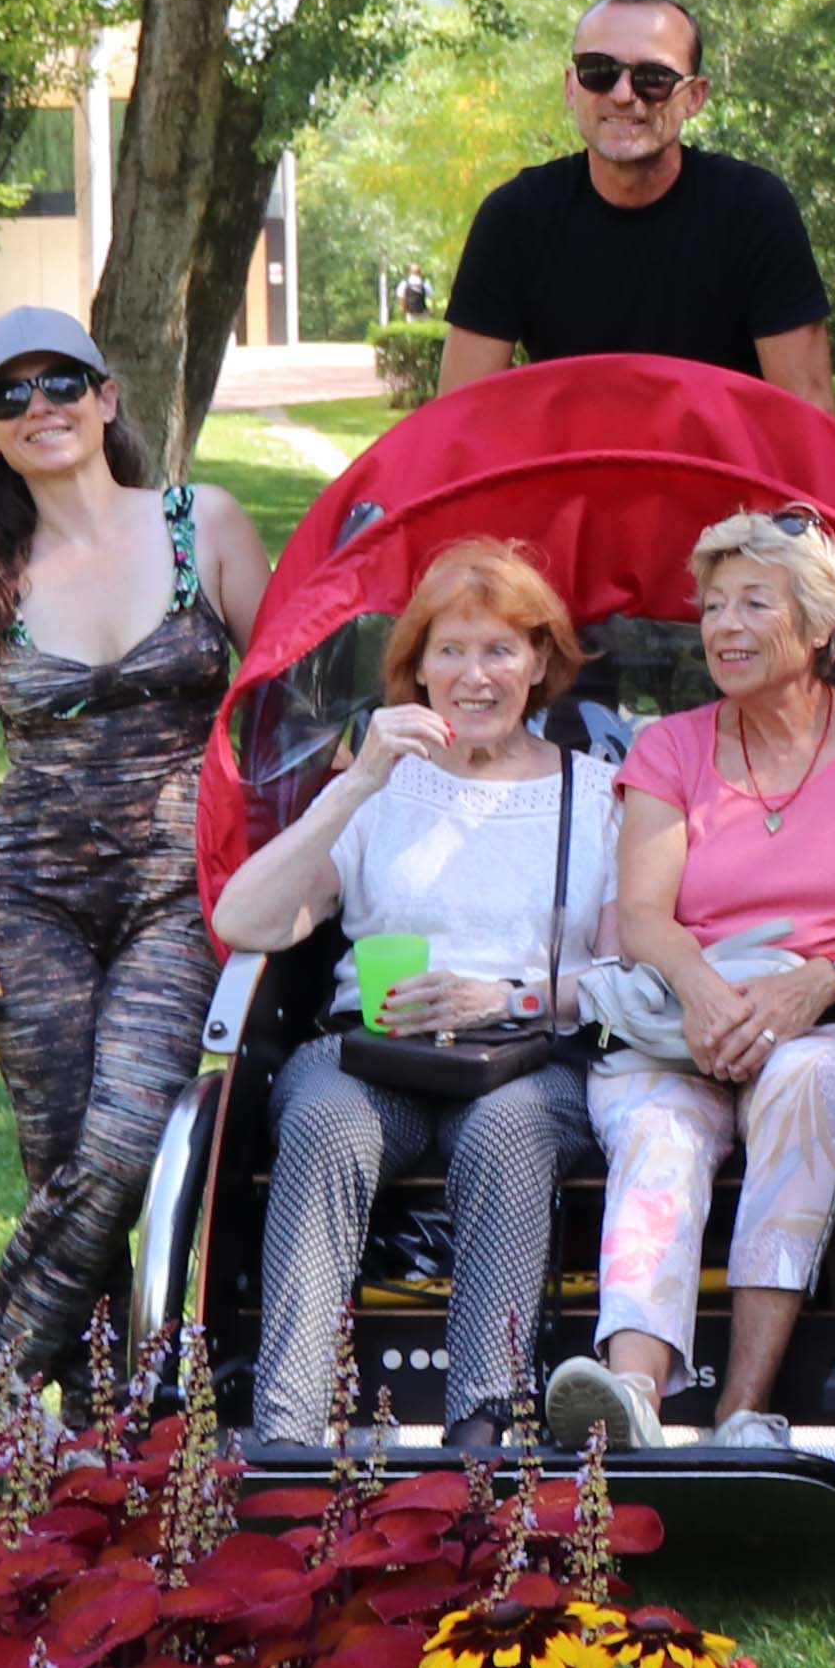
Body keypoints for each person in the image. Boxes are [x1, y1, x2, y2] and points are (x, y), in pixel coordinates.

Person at [543, 513, 835, 1455]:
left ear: (821, 625)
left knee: (807, 1085)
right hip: (682, 1016)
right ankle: (632, 1398)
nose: (723, 626)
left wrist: (821, 982)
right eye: (713, 605)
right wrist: (702, 993)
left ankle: (744, 1408)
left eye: (754, 603)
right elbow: (645, 915)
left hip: (827, 1009)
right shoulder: (673, 749)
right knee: (659, 1130)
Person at [0, 305, 276, 1392]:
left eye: (61, 383)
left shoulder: (199, 523)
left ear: (107, 397)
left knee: (121, 1149)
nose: (42, 408)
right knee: (63, 1164)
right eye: (9, 395)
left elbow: (283, 708)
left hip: (181, 892)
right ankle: (107, 1426)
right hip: (30, 899)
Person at [206, 538, 618, 1453]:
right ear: (417, 669)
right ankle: (286, 1429)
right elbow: (246, 919)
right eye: (451, 651)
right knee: (320, 1122)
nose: (476, 676)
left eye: (501, 650)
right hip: (372, 1052)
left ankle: (487, 1419)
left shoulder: (596, 797)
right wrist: (354, 784)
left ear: (541, 662)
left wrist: (502, 999)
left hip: (529, 1055)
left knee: (509, 1136)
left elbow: (632, 979)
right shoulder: (377, 791)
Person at [437, 0, 835, 408]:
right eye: (598, 71)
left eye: (653, 78)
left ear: (695, 97)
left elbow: (809, 417)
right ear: (572, 88)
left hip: (719, 471)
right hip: (573, 469)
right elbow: (456, 419)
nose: (624, 93)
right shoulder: (515, 218)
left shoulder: (755, 211)